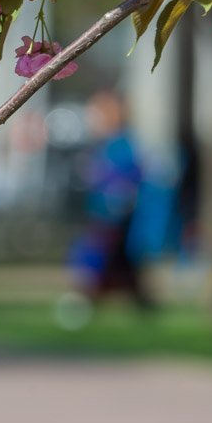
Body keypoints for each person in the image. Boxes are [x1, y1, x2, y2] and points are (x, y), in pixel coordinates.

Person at [66, 90, 154, 309]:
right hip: (103, 213)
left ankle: (88, 296)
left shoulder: (122, 145)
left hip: (114, 216)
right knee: (112, 261)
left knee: (101, 257)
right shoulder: (106, 145)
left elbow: (128, 179)